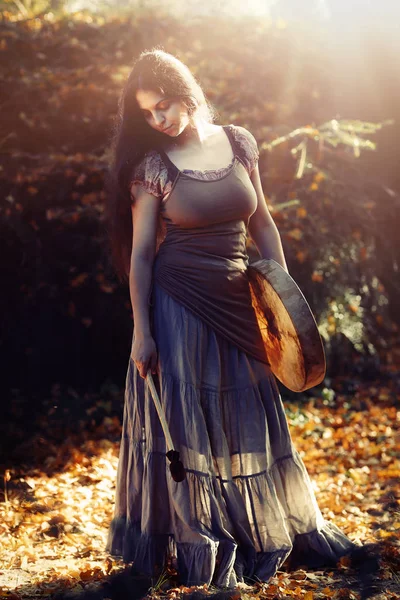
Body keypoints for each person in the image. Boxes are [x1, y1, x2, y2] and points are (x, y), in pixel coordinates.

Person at [104, 48, 357, 589]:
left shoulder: (239, 143)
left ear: (188, 92)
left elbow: (263, 224)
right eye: (148, 114)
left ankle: (258, 529)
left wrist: (282, 303)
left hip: (244, 301)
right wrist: (142, 331)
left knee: (250, 418)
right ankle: (200, 542)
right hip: (179, 305)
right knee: (190, 422)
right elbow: (142, 255)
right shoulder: (153, 168)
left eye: (164, 106)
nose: (159, 121)